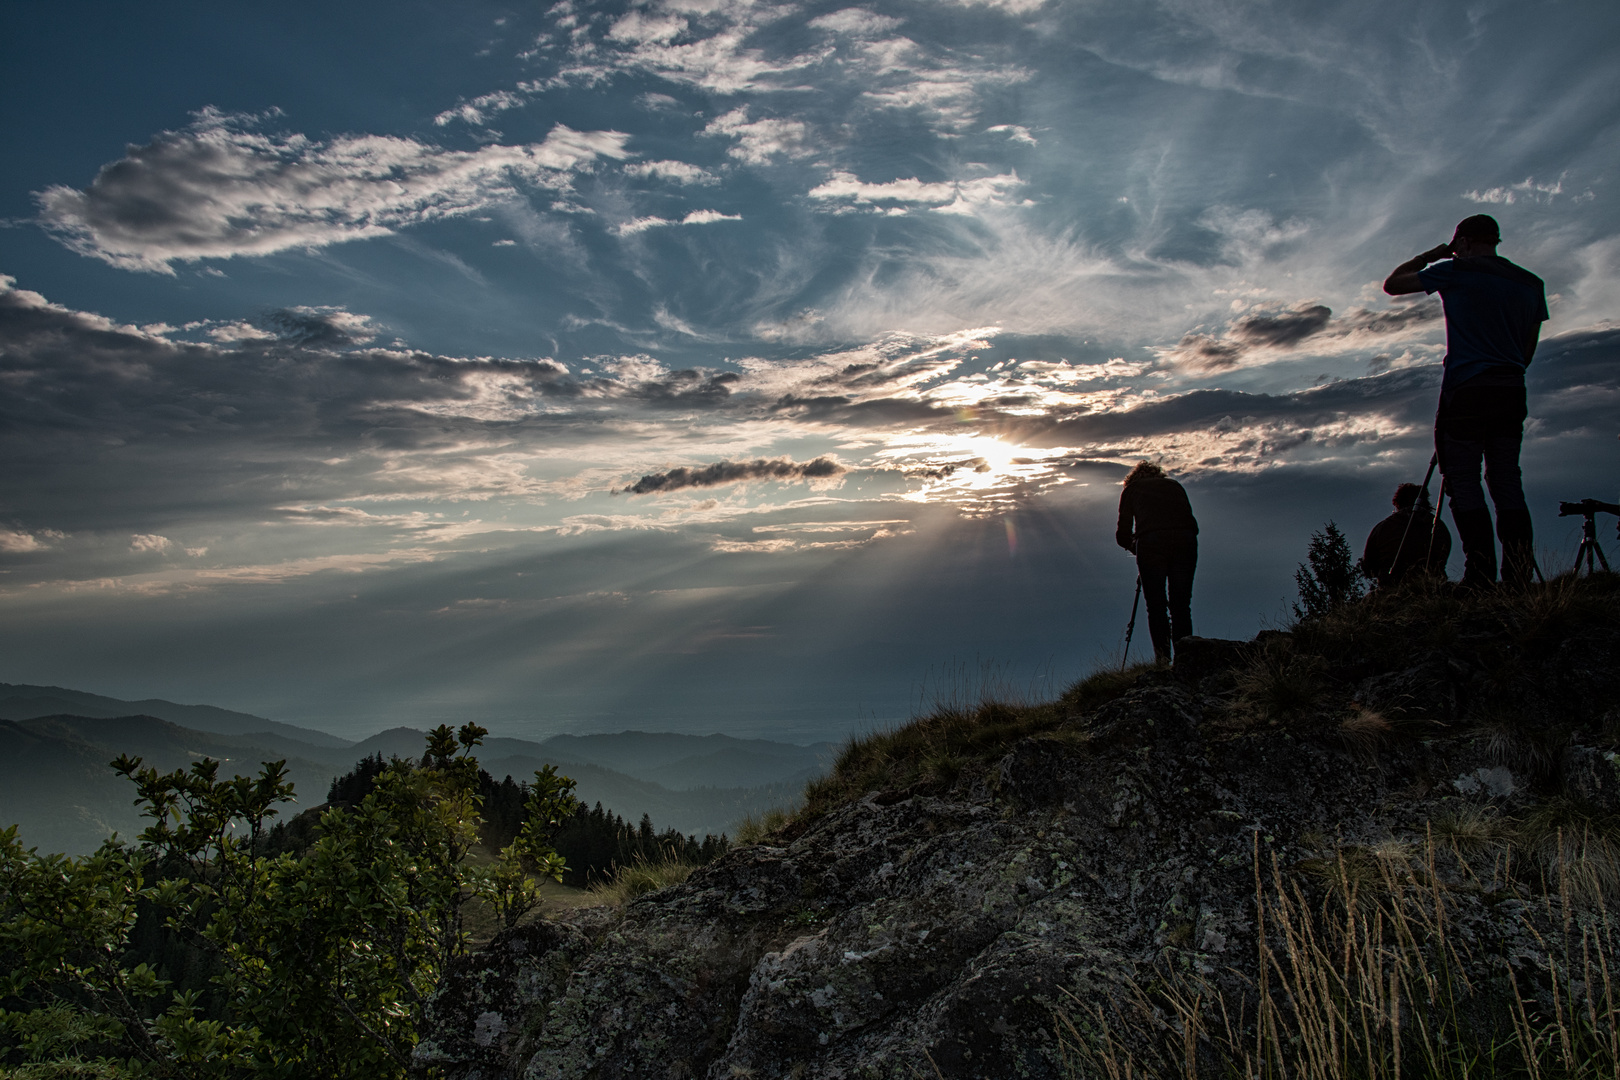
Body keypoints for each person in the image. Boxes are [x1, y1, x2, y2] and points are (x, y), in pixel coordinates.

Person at [1383, 214, 1548, 589]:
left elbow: (1393, 285)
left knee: (1462, 480)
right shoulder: (1531, 284)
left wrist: (1437, 252)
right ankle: (1519, 576)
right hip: (1510, 388)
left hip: (1466, 389)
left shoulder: (1455, 271)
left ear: (1465, 241)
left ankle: (1480, 575)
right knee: (1507, 481)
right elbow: (1527, 351)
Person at [1116, 461, 1198, 662]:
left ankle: (1162, 660)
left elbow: (1122, 535)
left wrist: (1137, 548)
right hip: (1186, 541)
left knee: (1156, 606)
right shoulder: (1175, 486)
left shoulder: (1131, 490)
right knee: (1181, 605)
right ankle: (1184, 659)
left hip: (1151, 544)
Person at [1362, 482, 1453, 589]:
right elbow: (1442, 559)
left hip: (1392, 591)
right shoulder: (1438, 526)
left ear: (1397, 502)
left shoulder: (1383, 528)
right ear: (1426, 502)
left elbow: (1369, 568)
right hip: (1433, 589)